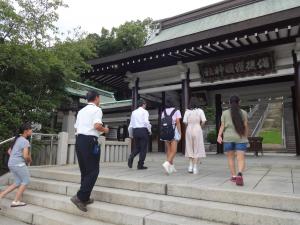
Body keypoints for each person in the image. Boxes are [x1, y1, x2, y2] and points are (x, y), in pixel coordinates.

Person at [71, 91, 109, 212]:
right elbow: (97, 126)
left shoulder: (81, 111)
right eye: (99, 98)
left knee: (85, 171)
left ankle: (85, 198)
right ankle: (80, 197)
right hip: (90, 141)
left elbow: (76, 127)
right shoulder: (97, 109)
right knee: (93, 171)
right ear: (96, 98)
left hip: (79, 140)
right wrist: (105, 130)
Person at [217, 95, 249, 186]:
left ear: (230, 103)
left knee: (231, 158)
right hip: (240, 138)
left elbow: (222, 126)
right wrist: (246, 137)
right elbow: (246, 126)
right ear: (239, 102)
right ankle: (240, 174)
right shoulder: (243, 113)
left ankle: (234, 176)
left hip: (228, 138)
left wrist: (219, 135)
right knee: (240, 158)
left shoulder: (225, 113)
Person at [0, 123, 32, 207]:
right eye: (31, 129)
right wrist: (29, 160)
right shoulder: (25, 141)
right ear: (26, 131)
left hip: (11, 163)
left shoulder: (17, 139)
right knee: (26, 180)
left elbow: (9, 151)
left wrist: (16, 156)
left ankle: (1, 195)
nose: (32, 131)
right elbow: (25, 156)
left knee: (18, 182)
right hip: (18, 164)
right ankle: (16, 201)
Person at [183, 97, 207, 174]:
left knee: (189, 147)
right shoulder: (200, 111)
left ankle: (190, 166)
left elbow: (185, 122)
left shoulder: (187, 111)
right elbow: (203, 121)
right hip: (197, 128)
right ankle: (195, 168)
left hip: (189, 129)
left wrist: (189, 126)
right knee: (197, 148)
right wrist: (200, 126)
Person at [128, 99, 151, 170]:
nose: (146, 106)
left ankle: (131, 156)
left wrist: (130, 134)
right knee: (143, 149)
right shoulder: (145, 112)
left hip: (135, 131)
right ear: (143, 104)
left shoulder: (134, 112)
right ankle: (140, 165)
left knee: (137, 147)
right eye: (145, 104)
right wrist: (149, 130)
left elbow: (131, 124)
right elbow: (146, 122)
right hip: (143, 130)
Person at [161, 97, 182, 174]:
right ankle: (167, 163)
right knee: (174, 151)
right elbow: (178, 122)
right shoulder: (176, 111)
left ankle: (170, 168)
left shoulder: (164, 112)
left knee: (169, 150)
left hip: (165, 132)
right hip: (173, 131)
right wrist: (180, 133)